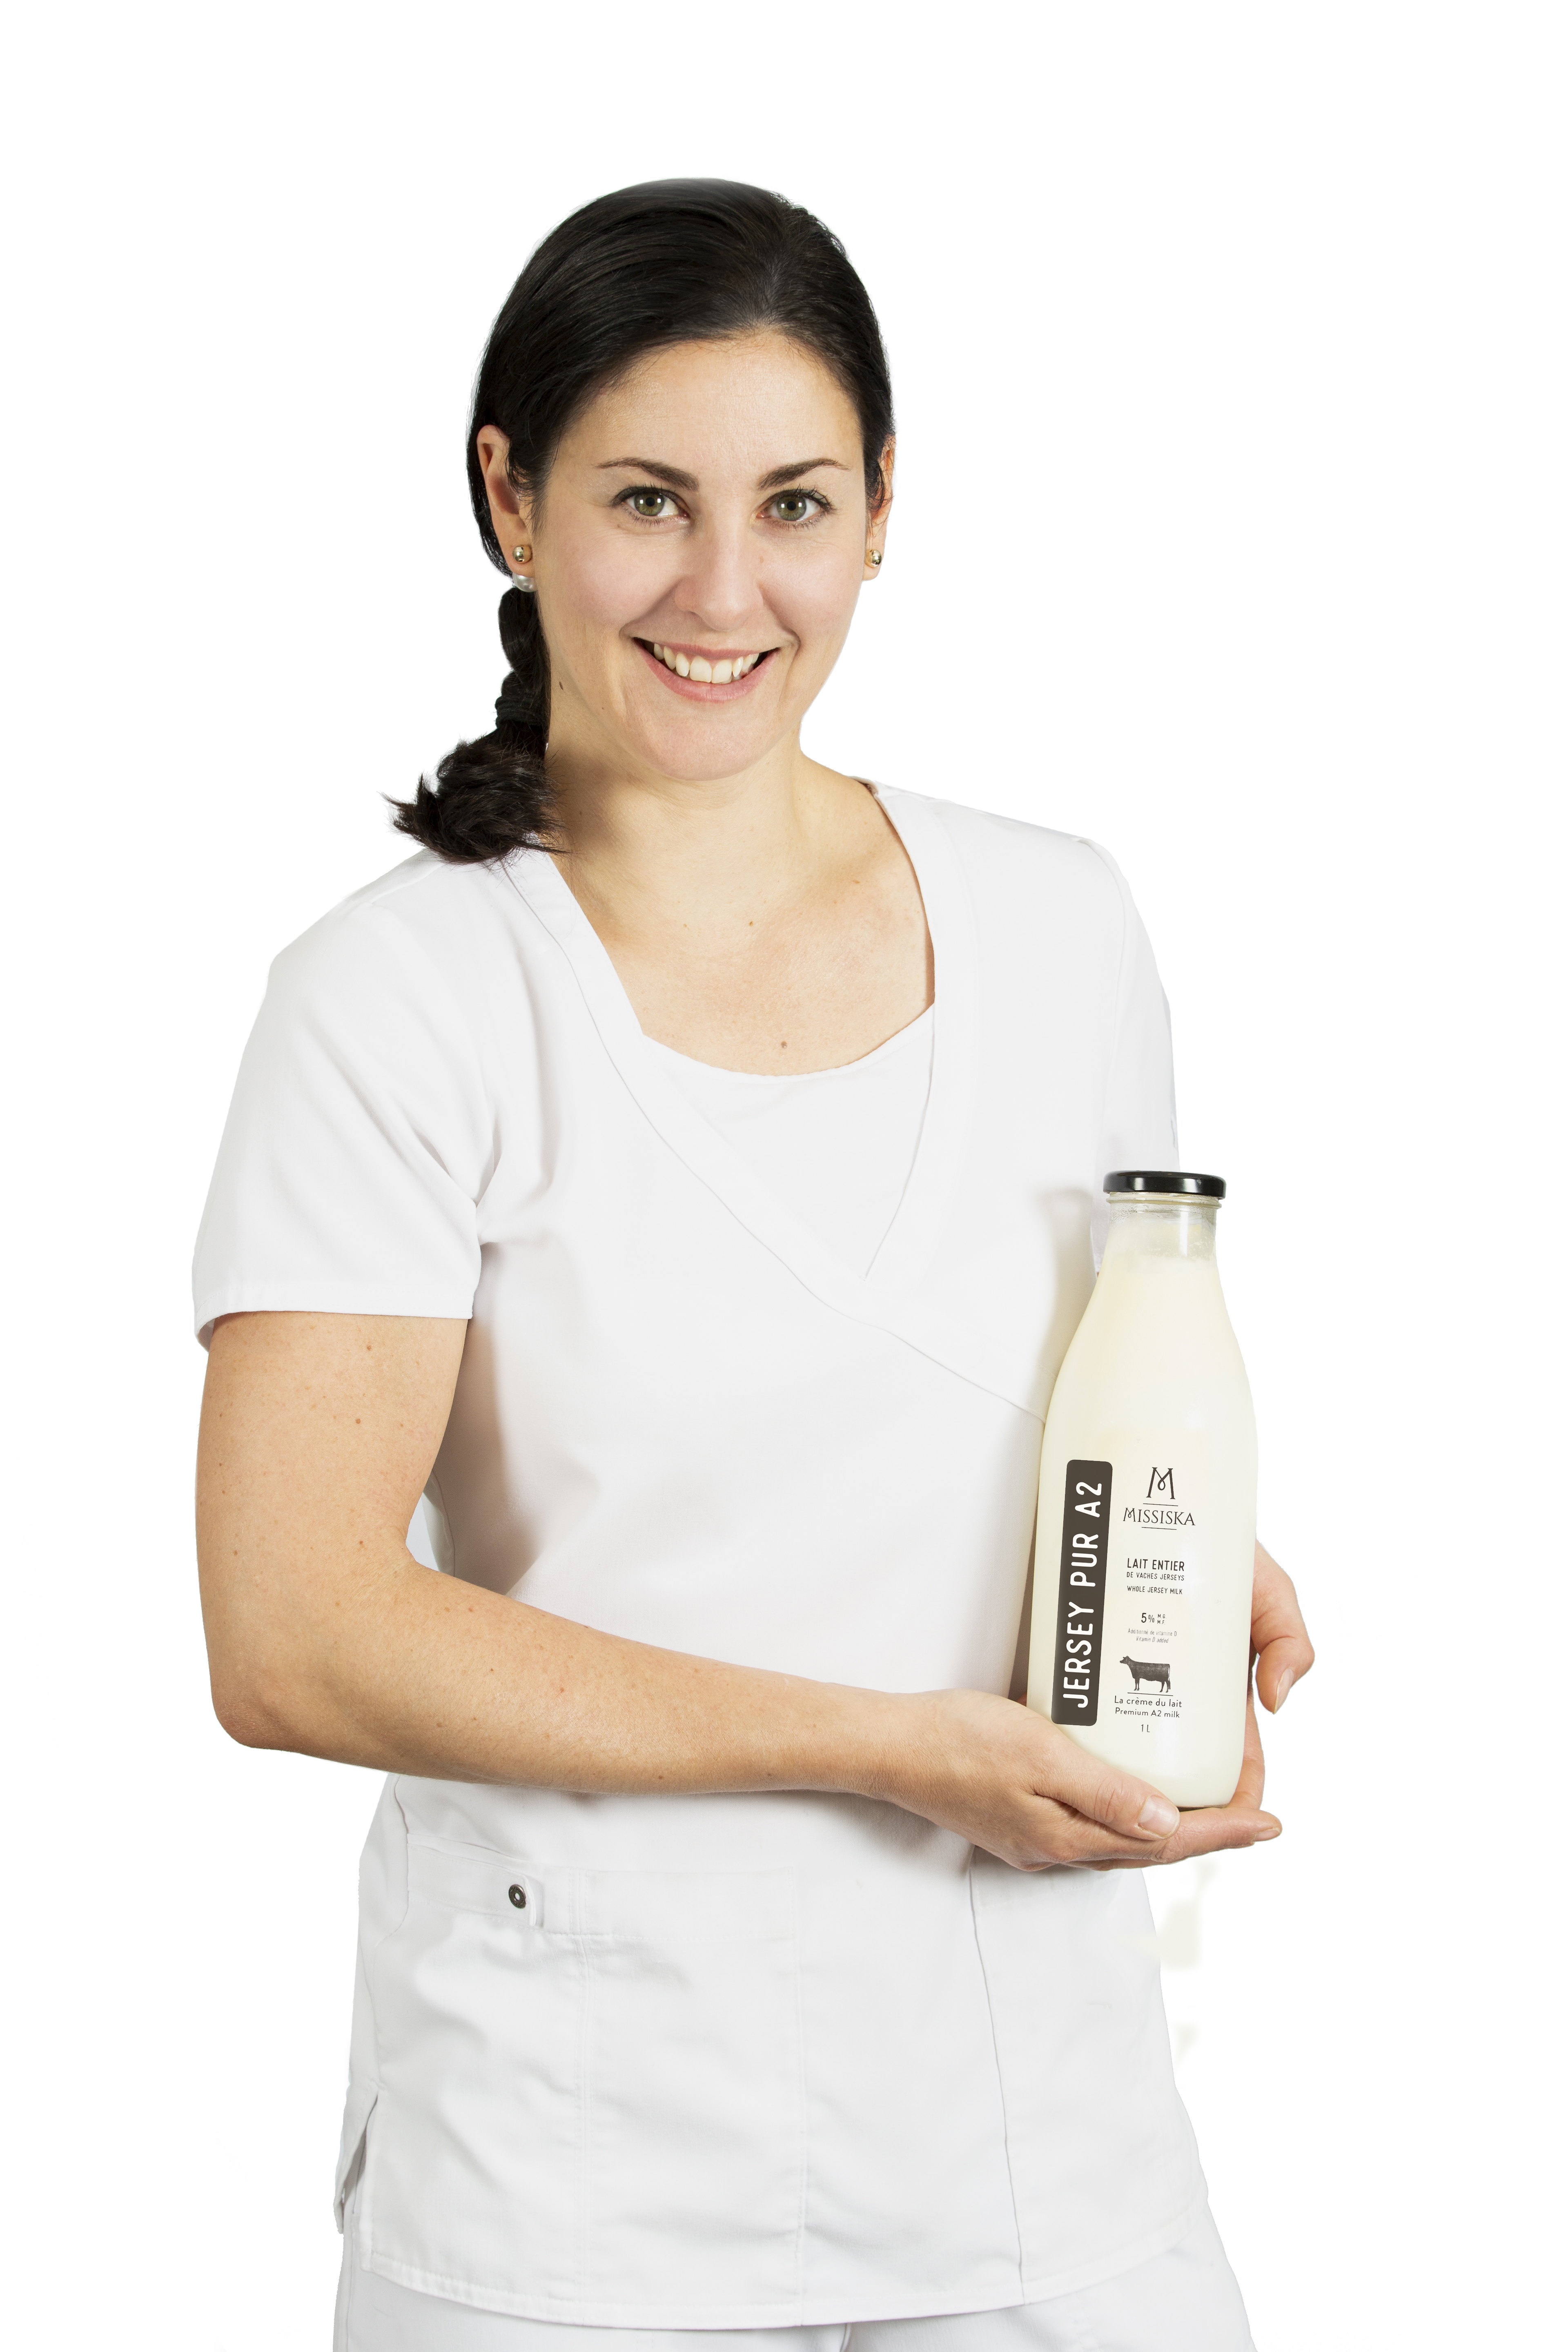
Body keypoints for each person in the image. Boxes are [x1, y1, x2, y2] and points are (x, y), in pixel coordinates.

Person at [194, 180, 1313, 2352]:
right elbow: (294, 1634)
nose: (724, 591)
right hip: (574, 2171)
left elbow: (1050, 1384)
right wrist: (886, 1743)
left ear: (884, 508)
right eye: (647, 500)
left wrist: (1180, 1562)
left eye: (794, 503)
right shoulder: (404, 999)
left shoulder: (1061, 929)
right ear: (509, 499)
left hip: (1035, 2144)